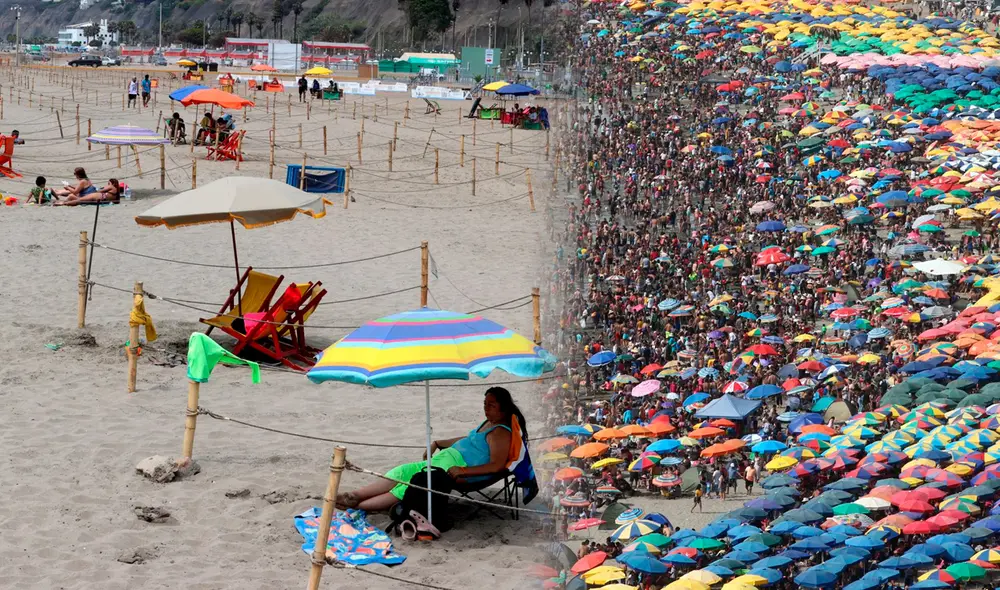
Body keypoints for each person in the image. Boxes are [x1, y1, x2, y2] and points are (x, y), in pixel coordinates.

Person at [336, 387, 524, 511]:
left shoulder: (501, 432)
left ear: (504, 409)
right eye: (485, 404)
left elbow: (497, 466)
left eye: (491, 405)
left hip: (453, 470)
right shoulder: (489, 423)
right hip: (444, 461)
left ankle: (360, 506)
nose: (486, 409)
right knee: (402, 471)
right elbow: (468, 441)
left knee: (408, 486)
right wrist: (439, 442)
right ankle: (354, 496)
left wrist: (464, 470)